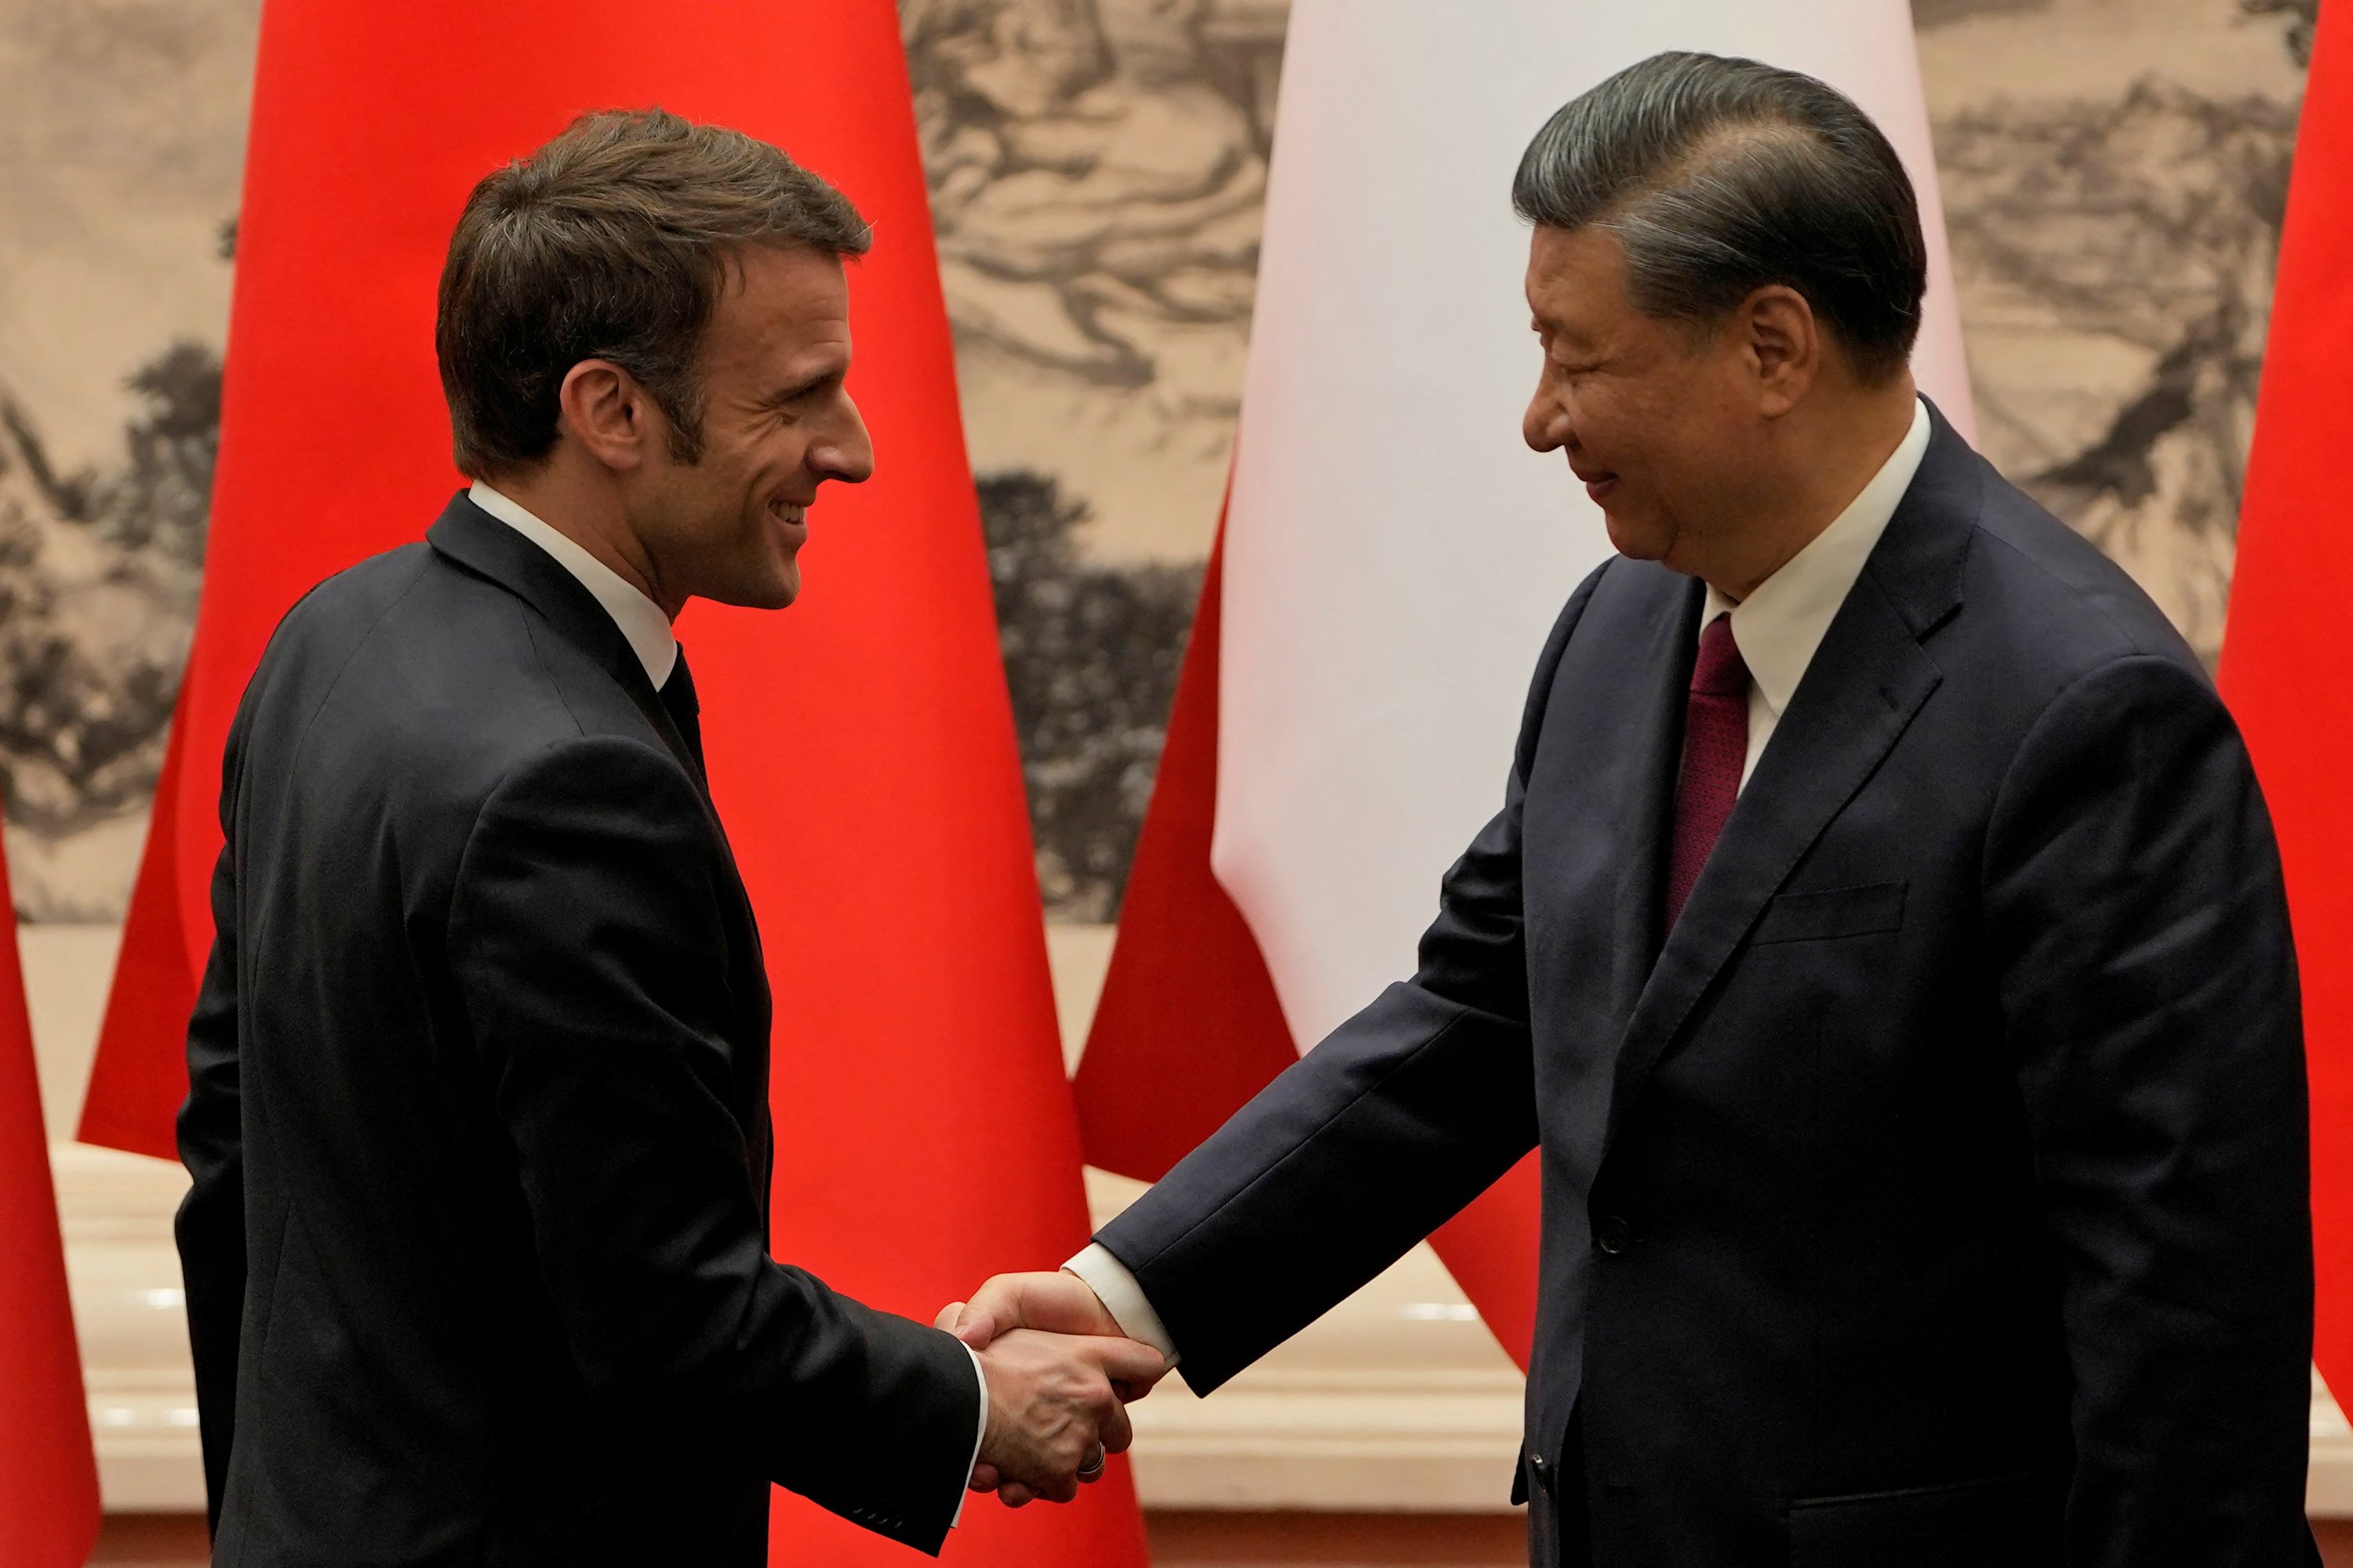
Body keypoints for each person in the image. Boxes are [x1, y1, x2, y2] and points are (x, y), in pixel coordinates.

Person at [944, 52, 2317, 1566]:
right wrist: (1129, 1297)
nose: (1540, 420)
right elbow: (1473, 1029)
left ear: (1773, 345)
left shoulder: (2086, 716)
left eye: (1577, 358)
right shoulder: (1620, 633)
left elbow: (2185, 1333)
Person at [173, 108, 1163, 1568]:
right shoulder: (570, 784)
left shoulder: (334, 641)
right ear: (612, 411)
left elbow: (232, 1161)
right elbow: (664, 1312)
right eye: (801, 396)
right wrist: (968, 1406)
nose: (857, 450)